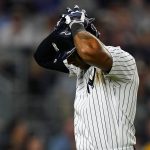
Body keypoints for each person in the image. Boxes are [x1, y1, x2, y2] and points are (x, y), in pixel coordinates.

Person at [34, 5, 139, 150]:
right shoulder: (81, 67)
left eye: (74, 48)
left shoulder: (122, 58)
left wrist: (76, 24)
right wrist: (61, 30)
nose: (70, 57)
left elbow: (88, 50)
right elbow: (42, 57)